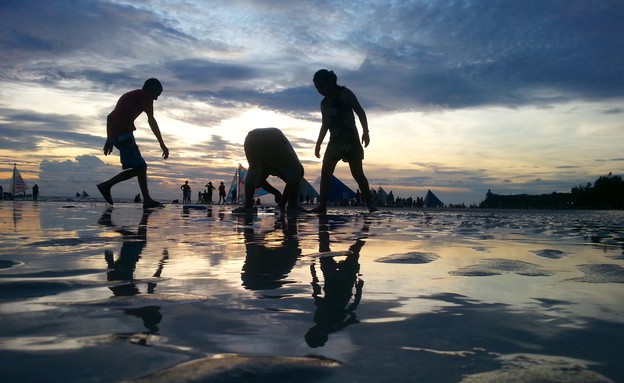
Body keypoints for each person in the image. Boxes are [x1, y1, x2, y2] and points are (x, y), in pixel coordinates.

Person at [311, 69, 377, 213]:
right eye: (317, 88)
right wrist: (318, 144)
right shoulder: (324, 103)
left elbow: (360, 111)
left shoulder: (345, 94)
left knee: (358, 174)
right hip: (334, 142)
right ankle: (322, 205)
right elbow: (325, 124)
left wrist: (365, 132)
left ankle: (370, 205)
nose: (320, 90)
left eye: (321, 86)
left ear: (330, 82)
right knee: (326, 173)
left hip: (350, 140)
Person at [97, 78, 168, 208]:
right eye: (157, 95)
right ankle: (106, 185)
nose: (156, 99)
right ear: (151, 89)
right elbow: (151, 121)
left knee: (140, 167)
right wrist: (162, 144)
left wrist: (109, 139)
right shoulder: (144, 96)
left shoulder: (130, 95)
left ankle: (147, 199)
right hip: (124, 134)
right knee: (140, 167)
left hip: (118, 135)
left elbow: (110, 117)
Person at [232, 128, 307, 214]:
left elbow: (259, 181)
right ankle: (292, 205)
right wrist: (282, 201)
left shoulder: (265, 166)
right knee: (297, 172)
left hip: (251, 138)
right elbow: (292, 181)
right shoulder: (293, 166)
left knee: (253, 170)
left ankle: (248, 206)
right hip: (274, 137)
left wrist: (277, 194)